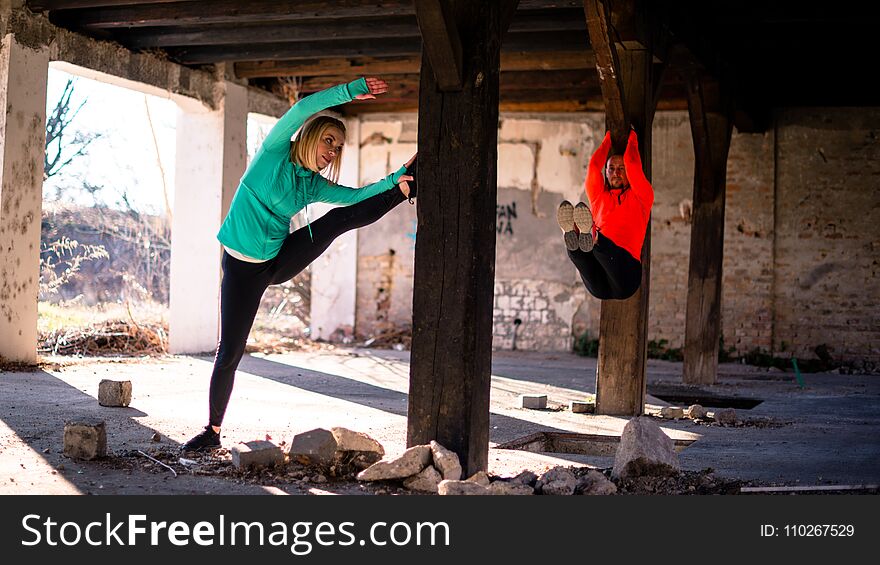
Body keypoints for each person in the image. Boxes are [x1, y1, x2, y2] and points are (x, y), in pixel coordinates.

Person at [181, 77, 417, 452]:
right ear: (312, 136)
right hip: (241, 270)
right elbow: (302, 108)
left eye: (338, 148)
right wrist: (352, 90)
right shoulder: (274, 151)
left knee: (337, 221)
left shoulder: (312, 185)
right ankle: (211, 431)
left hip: (274, 263)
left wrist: (392, 180)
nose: (332, 152)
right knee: (230, 351)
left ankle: (409, 186)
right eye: (329, 141)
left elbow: (355, 196)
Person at [556, 128, 653, 300]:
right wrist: (607, 141)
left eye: (621, 168)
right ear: (606, 173)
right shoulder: (598, 196)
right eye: (611, 168)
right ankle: (572, 234)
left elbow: (632, 162)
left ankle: (592, 237)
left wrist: (632, 139)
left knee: (603, 248)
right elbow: (594, 167)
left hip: (626, 277)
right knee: (581, 254)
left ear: (628, 172)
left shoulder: (642, 196)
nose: (616, 173)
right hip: (598, 284)